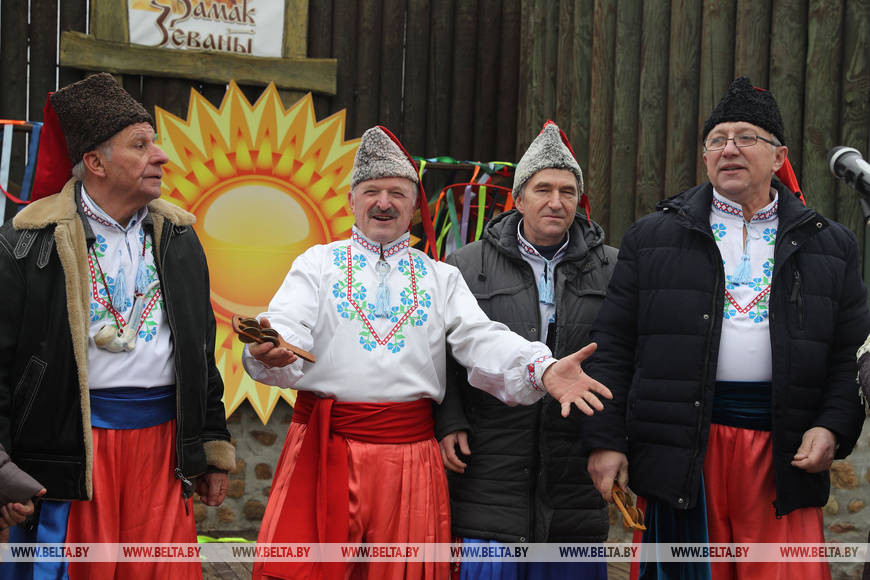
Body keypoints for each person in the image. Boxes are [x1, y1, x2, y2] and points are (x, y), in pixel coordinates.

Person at [242, 125, 613, 580]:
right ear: (351, 202)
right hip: (326, 449)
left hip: (409, 460)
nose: (384, 202)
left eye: (397, 193)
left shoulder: (440, 277)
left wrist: (542, 367)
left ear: (415, 208)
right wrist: (273, 346)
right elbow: (288, 322)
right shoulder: (317, 265)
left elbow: (481, 338)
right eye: (372, 191)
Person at [584, 76, 870, 580]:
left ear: (779, 157)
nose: (729, 149)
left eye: (746, 137)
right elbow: (613, 346)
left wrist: (833, 426)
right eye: (717, 140)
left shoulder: (831, 245)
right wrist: (606, 440)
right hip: (685, 448)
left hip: (785, 452)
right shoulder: (652, 237)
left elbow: (850, 351)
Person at [0, 73, 235, 579]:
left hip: (162, 453)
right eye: (141, 144)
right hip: (75, 451)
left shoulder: (179, 237)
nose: (161, 156)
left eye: (155, 143)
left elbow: (199, 353)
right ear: (95, 162)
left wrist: (212, 447)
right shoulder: (28, 243)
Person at [436, 121, 616, 580]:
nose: (556, 202)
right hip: (492, 456)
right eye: (543, 189)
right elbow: (443, 353)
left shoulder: (612, 267)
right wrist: (450, 419)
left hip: (575, 457)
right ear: (518, 198)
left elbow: (623, 359)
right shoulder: (466, 264)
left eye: (567, 191)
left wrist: (614, 441)